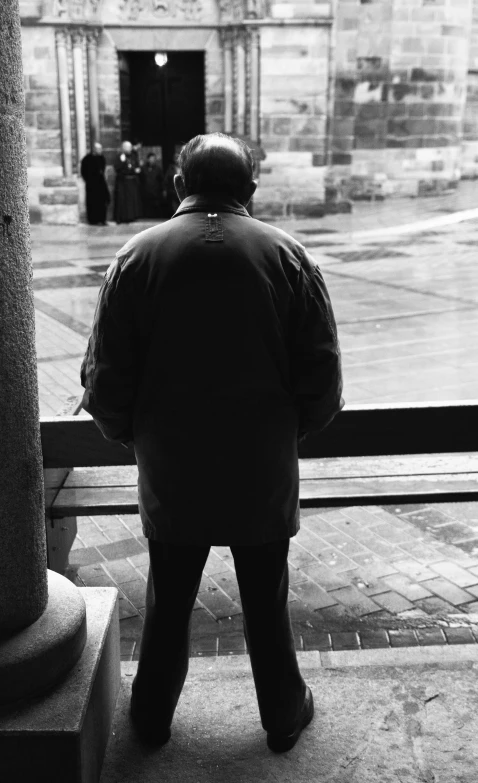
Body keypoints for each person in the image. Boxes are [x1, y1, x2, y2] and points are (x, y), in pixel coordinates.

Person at [80, 132, 343, 753]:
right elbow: (323, 382)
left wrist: (140, 439)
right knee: (265, 598)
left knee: (168, 598)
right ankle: (282, 712)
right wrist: (283, 433)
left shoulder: (135, 258)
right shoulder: (289, 257)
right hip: (261, 468)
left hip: (173, 470)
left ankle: (151, 716)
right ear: (250, 190)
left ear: (178, 186)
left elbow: (106, 382)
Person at [80, 141, 110, 225]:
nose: (101, 150)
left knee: (102, 202)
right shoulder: (87, 159)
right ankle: (93, 220)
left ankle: (102, 220)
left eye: (101, 148)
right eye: (99, 149)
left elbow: (103, 170)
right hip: (92, 185)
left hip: (101, 184)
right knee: (93, 203)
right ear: (94, 149)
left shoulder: (102, 158)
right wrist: (89, 180)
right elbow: (83, 172)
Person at [113, 141, 143, 223]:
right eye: (128, 147)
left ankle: (131, 216)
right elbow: (117, 168)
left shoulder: (132, 155)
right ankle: (123, 218)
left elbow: (136, 164)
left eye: (130, 147)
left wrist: (137, 169)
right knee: (123, 200)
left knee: (132, 200)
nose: (130, 149)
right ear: (124, 148)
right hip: (123, 182)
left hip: (132, 181)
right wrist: (123, 162)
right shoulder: (120, 156)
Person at [141, 152, 164, 218]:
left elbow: (161, 180)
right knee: (147, 206)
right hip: (146, 191)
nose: (152, 160)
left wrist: (162, 190)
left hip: (155, 191)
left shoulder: (158, 169)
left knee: (156, 206)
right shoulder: (143, 168)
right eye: (151, 159)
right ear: (148, 159)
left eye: (154, 159)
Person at [162, 152, 180, 216]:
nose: (177, 159)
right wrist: (164, 190)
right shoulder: (171, 168)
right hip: (173, 190)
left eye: (178, 157)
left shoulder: (184, 167)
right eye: (175, 158)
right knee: (174, 207)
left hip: (182, 190)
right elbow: (166, 180)